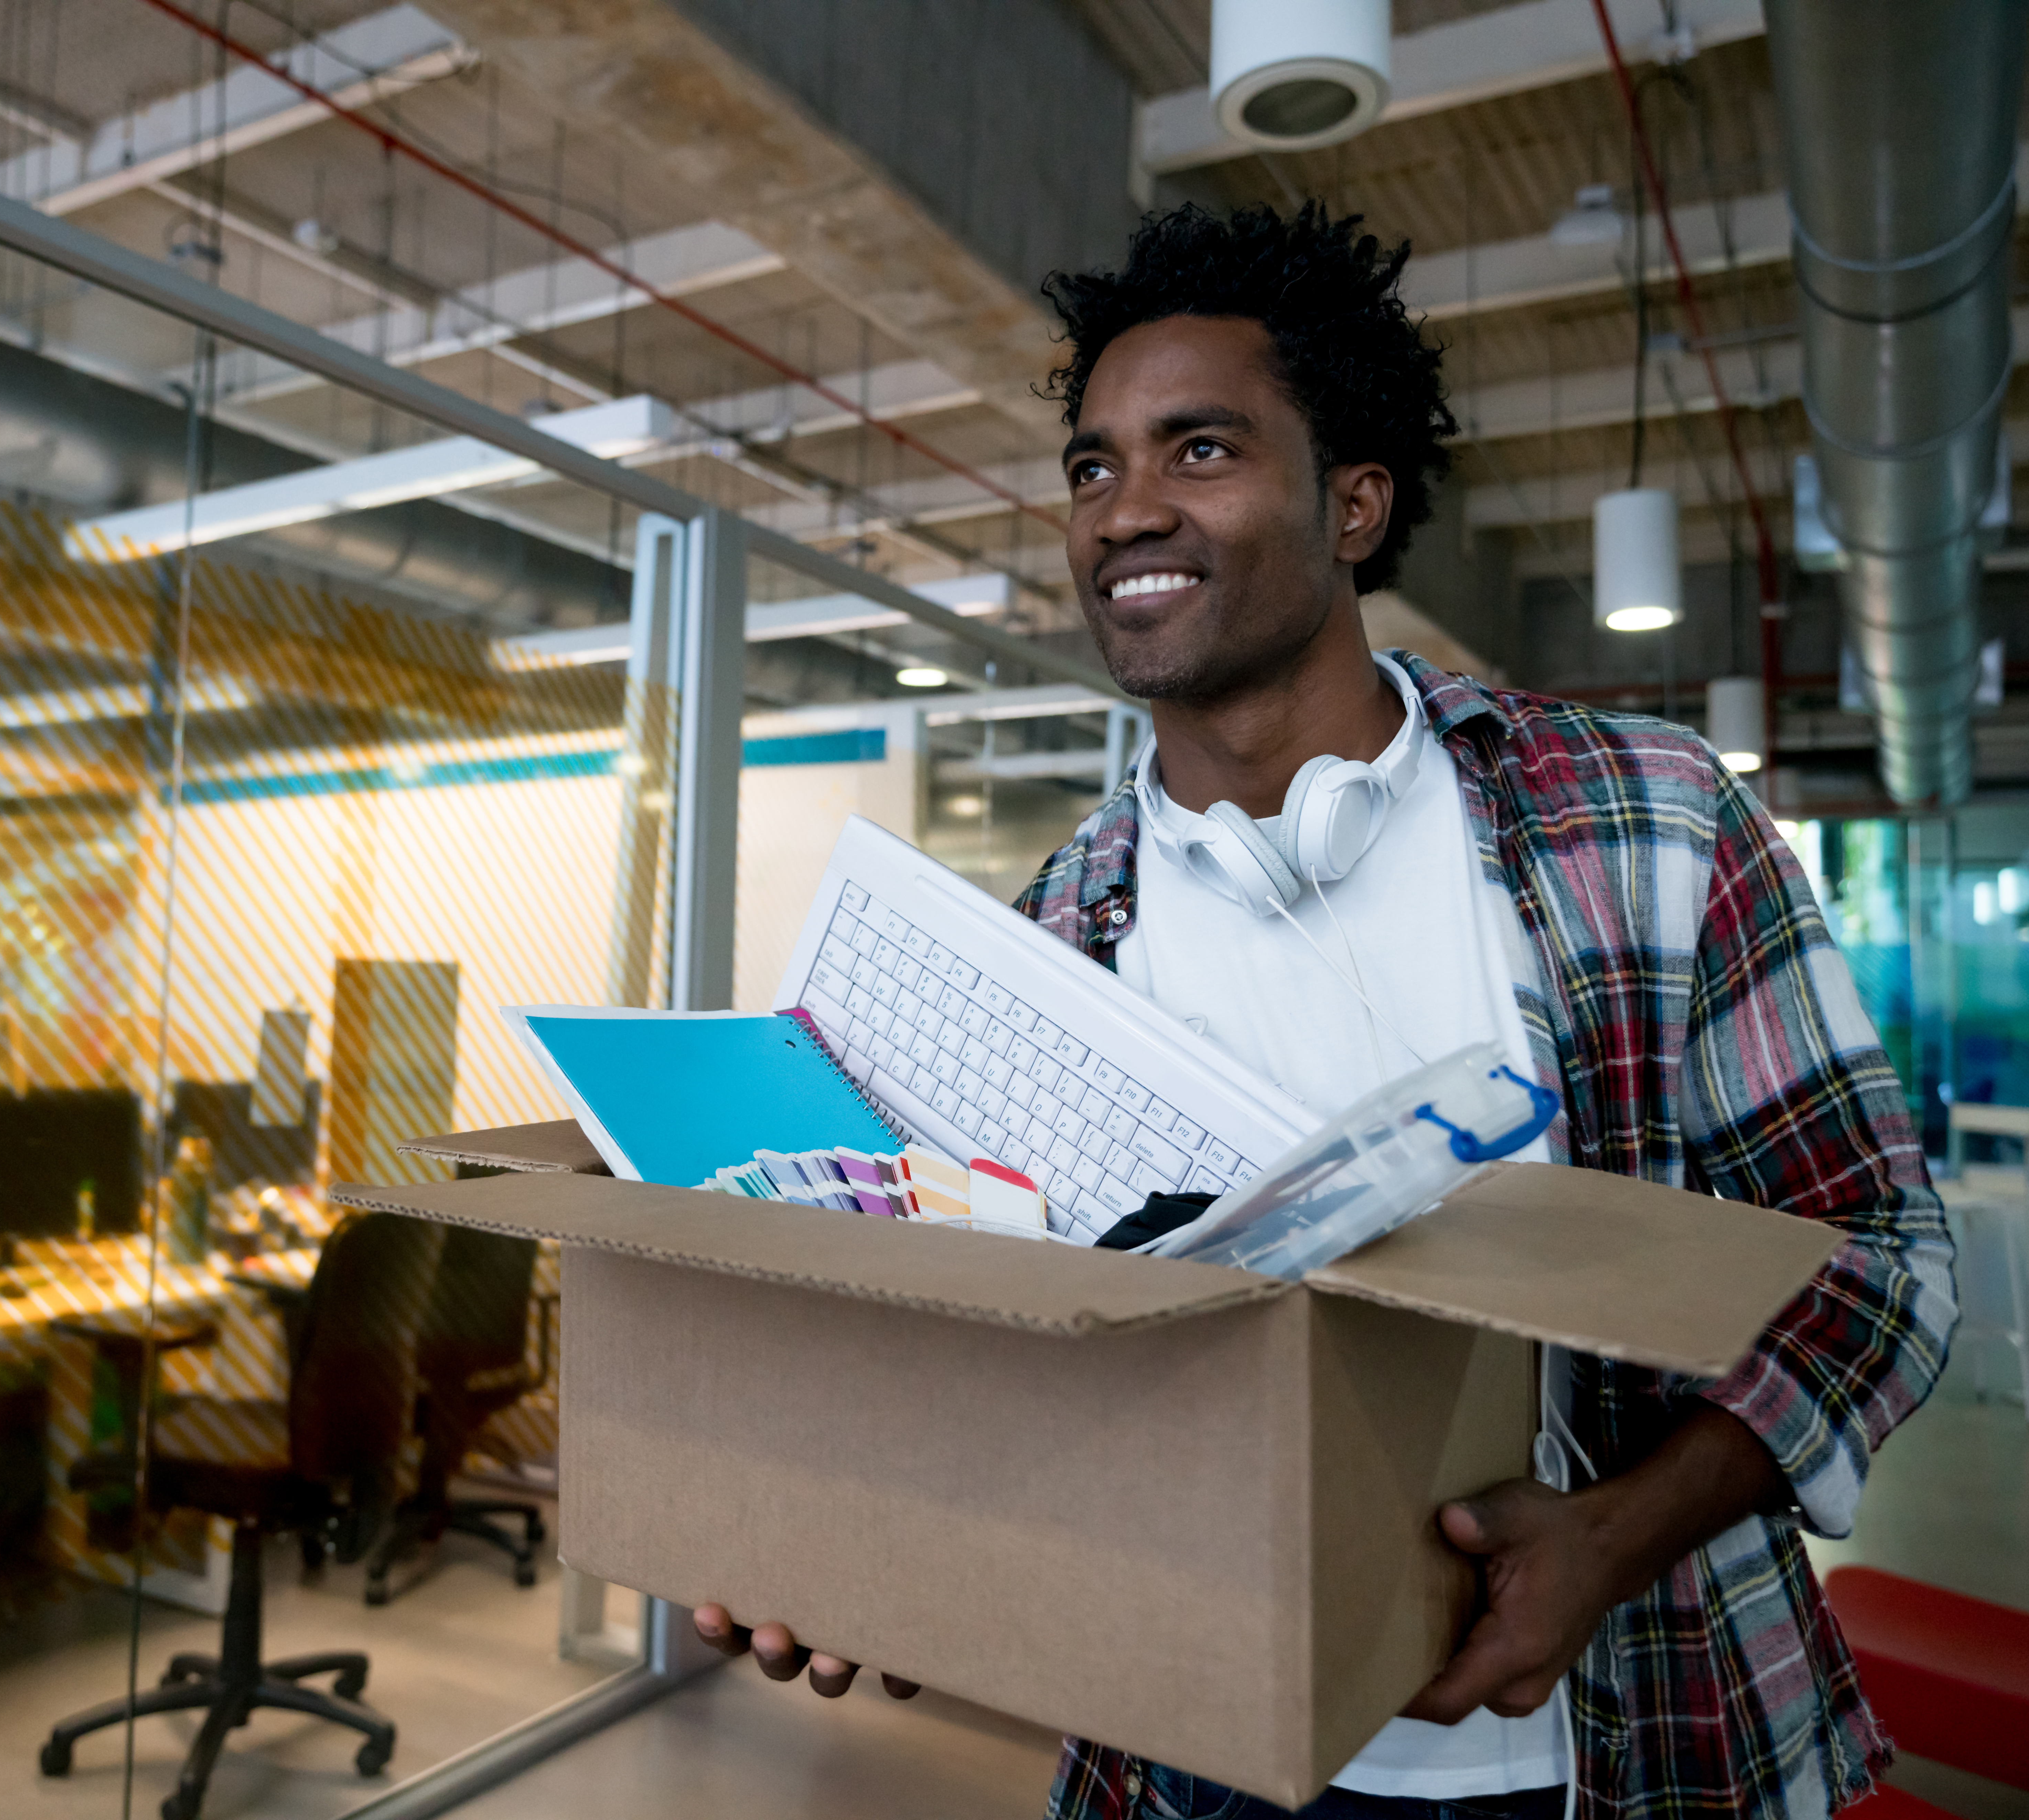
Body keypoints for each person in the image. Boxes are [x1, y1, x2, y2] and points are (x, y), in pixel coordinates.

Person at [696, 201, 1956, 1820]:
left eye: (1199, 449)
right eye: (1090, 467)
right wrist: (857, 1532)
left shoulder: (1642, 823)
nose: (1123, 510)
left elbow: (1878, 1261)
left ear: (1352, 503)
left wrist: (1606, 1538)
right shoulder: (1048, 938)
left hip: (1630, 1735)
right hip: (1182, 1752)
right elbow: (996, 1363)